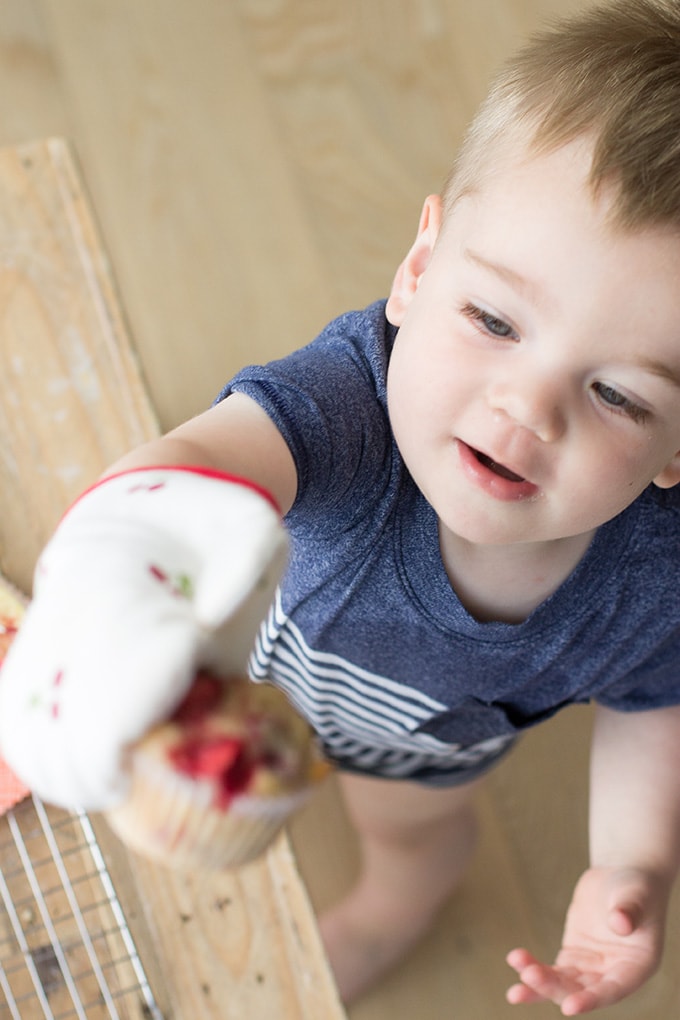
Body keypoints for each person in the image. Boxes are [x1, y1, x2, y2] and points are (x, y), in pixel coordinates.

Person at [2, 0, 680, 1014]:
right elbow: (189, 469)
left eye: (618, 395)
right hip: (212, 672)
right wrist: (111, 583)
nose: (523, 408)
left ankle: (382, 916)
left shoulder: (649, 581)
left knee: (415, 841)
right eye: (492, 319)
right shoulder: (348, 408)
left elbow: (650, 701)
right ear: (417, 270)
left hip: (410, 755)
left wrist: (631, 868)